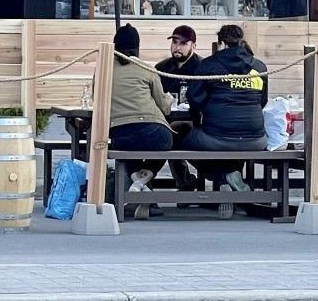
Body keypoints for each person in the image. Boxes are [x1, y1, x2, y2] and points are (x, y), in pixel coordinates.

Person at [184, 23, 268, 218]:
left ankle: (222, 180)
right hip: (256, 140)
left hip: (217, 136)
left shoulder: (209, 65)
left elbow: (194, 100)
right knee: (232, 143)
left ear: (220, 43)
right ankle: (232, 176)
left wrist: (200, 118)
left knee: (183, 142)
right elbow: (262, 101)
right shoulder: (259, 66)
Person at [109, 25, 174, 219]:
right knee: (168, 142)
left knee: (128, 154)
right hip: (153, 131)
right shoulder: (146, 69)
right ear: (137, 48)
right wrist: (169, 100)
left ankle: (139, 187)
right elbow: (164, 108)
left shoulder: (103, 70)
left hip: (119, 133)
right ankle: (142, 185)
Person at [154, 25, 202, 191]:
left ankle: (144, 178)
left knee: (171, 134)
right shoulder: (162, 68)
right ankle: (184, 183)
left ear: (193, 46)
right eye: (175, 42)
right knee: (168, 133)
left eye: (183, 43)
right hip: (166, 119)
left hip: (197, 122)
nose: (177, 47)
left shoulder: (202, 67)